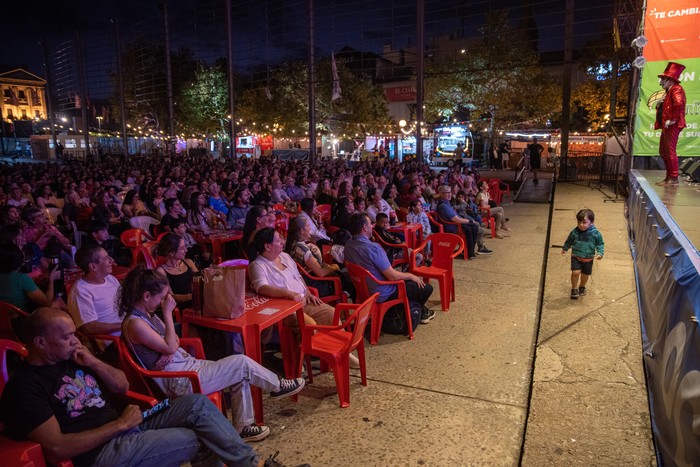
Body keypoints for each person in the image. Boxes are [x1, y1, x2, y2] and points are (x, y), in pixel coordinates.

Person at [0, 307, 303, 467]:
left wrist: (91, 361)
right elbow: (56, 449)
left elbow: (119, 386)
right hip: (102, 451)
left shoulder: (75, 359)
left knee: (198, 404)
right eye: (66, 336)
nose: (75, 339)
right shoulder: (25, 388)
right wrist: (118, 425)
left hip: (126, 427)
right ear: (39, 343)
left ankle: (252, 464)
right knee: (199, 437)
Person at [119, 266, 306, 442]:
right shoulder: (135, 323)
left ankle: (243, 427)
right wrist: (168, 316)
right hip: (179, 380)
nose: (164, 302)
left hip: (187, 366)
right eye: (161, 298)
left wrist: (170, 346)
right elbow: (169, 345)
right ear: (145, 296)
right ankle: (277, 385)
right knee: (241, 363)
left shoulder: (147, 315)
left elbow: (173, 338)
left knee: (241, 374)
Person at [343, 213, 435, 324]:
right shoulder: (373, 248)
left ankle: (417, 310)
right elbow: (392, 276)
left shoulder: (348, 246)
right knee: (426, 288)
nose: (372, 226)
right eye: (369, 224)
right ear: (364, 227)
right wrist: (411, 275)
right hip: (383, 292)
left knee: (410, 282)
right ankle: (417, 311)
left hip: (363, 290)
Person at [249, 227, 336, 330]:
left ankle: (340, 344)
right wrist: (288, 293)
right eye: (278, 240)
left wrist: (307, 293)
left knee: (332, 314)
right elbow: (262, 287)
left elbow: (298, 277)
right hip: (285, 308)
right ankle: (310, 346)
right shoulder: (257, 265)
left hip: (304, 301)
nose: (282, 242)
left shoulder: (285, 256)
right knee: (310, 325)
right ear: (268, 246)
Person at [67, 245, 122, 358]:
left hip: (130, 331)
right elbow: (89, 328)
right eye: (107, 258)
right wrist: (124, 325)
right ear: (93, 266)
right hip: (114, 343)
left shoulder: (111, 279)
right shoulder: (81, 291)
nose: (112, 260)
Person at [0, 242, 62, 312]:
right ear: (19, 261)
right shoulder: (21, 279)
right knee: (59, 301)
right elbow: (47, 303)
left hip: (3, 321)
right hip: (19, 321)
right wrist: (51, 279)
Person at [654, 62, 687, 186]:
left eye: (663, 79)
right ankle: (669, 177)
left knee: (669, 150)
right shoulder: (669, 91)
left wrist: (673, 119)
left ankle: (673, 178)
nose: (661, 82)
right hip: (667, 125)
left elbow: (678, 104)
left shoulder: (676, 89)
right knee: (664, 150)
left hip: (673, 125)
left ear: (670, 79)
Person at [561, 209, 604, 300]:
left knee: (585, 275)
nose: (581, 225)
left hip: (588, 259)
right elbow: (569, 241)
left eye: (584, 222)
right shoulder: (575, 232)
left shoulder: (595, 234)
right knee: (575, 272)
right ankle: (574, 288)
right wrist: (565, 248)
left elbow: (600, 244)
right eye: (579, 222)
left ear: (591, 222)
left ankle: (582, 286)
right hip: (576, 256)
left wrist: (600, 253)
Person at [435, 185, 480, 259]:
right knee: (477, 228)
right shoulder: (443, 206)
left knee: (477, 226)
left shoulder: (448, 203)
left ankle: (469, 248)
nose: (449, 194)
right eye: (446, 193)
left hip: (457, 224)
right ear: (442, 194)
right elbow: (457, 220)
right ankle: (468, 249)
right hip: (453, 226)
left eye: (450, 192)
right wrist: (470, 221)